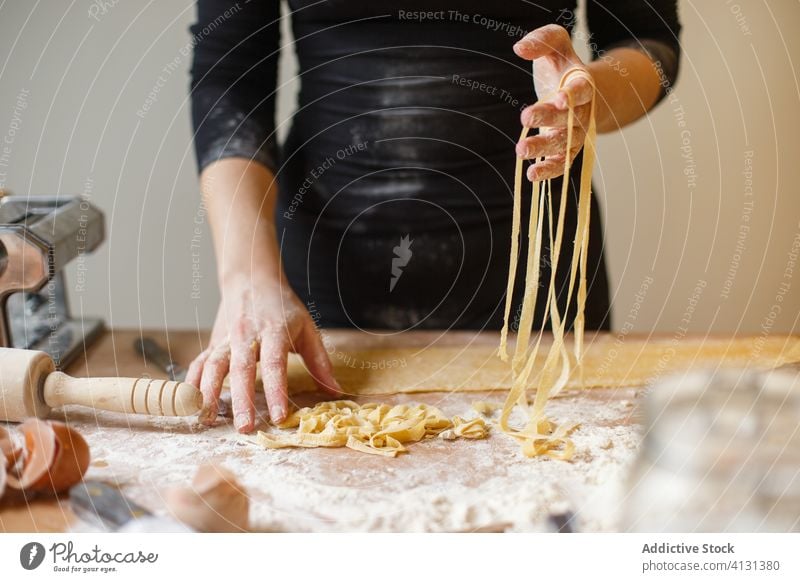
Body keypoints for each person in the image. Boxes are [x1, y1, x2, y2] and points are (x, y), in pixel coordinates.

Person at [186, 1, 681, 433]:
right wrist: (248, 275)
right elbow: (229, 72)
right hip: (328, 266)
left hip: (537, 264)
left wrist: (585, 93)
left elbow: (649, 42)